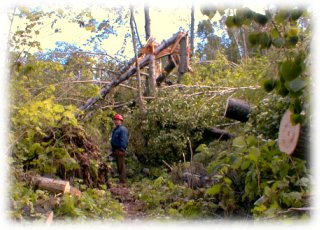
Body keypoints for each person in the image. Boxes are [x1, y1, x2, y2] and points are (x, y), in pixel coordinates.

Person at [111, 114, 129, 184]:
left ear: (121, 121)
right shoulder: (116, 129)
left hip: (120, 150)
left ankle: (123, 181)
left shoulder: (123, 129)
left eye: (118, 120)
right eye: (115, 120)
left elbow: (124, 140)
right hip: (116, 150)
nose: (116, 121)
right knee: (119, 166)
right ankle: (121, 180)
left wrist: (122, 149)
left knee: (121, 166)